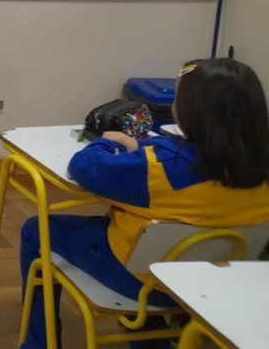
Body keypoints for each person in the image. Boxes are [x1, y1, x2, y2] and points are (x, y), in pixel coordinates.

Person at [19, 57, 269, 349]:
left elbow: (83, 166)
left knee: (36, 229)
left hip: (147, 283)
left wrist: (108, 141)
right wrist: (143, 147)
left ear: (192, 111)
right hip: (218, 282)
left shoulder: (158, 170)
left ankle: (37, 344)